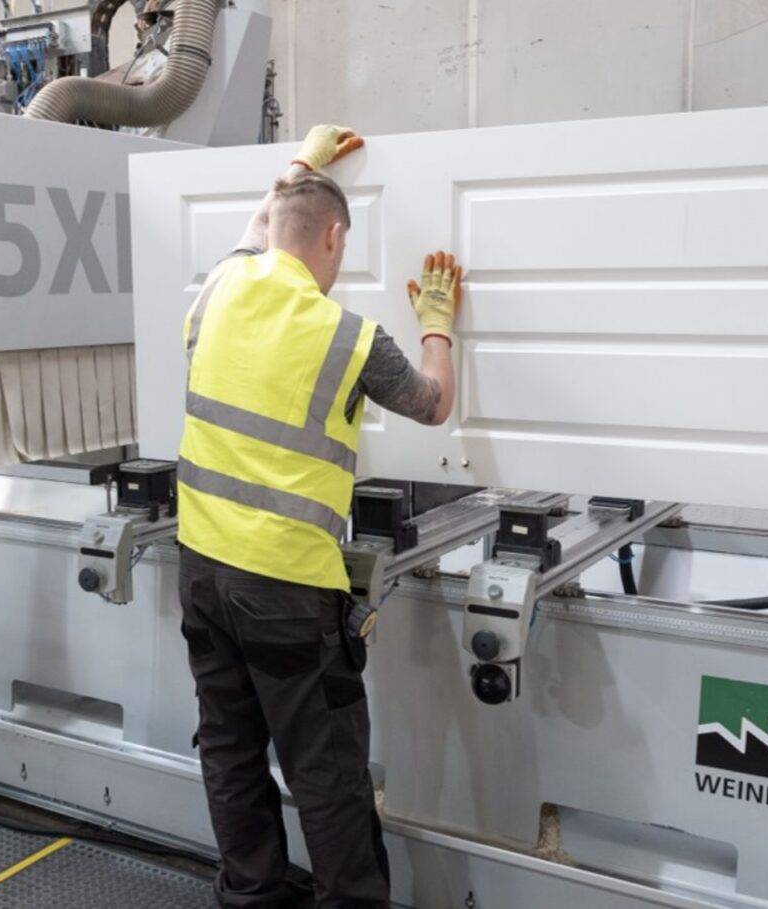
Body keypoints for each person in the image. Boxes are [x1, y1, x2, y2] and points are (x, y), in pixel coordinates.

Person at [176, 124, 462, 908]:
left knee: (231, 753)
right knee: (327, 775)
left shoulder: (222, 286)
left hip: (200, 570)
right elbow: (433, 404)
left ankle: (252, 896)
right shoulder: (348, 336)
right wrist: (438, 322)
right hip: (286, 593)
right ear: (335, 237)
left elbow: (260, 224)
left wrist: (301, 163)